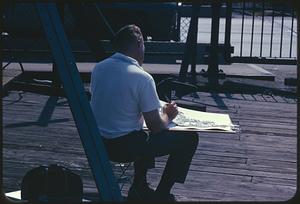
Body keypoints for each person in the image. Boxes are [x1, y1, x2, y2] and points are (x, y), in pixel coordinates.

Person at [90, 24, 199, 201]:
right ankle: (162, 194)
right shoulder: (142, 77)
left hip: (100, 143)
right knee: (189, 139)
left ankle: (140, 186)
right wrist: (168, 115)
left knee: (139, 129)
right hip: (124, 148)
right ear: (139, 43)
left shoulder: (99, 68)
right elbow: (157, 127)